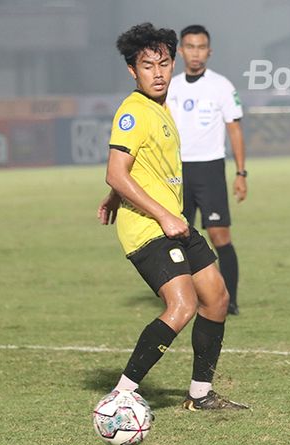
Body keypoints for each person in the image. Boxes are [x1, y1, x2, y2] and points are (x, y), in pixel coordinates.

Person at [96, 23, 246, 410]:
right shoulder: (133, 112)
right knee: (181, 307)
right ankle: (121, 394)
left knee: (216, 298)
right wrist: (162, 215)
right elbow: (116, 170)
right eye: (148, 66)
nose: (158, 73)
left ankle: (200, 395)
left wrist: (115, 196)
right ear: (133, 70)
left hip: (173, 222)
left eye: (164, 63)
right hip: (150, 229)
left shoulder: (160, 107)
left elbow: (136, 168)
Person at [166, 24, 246, 316]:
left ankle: (231, 300)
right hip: (176, 171)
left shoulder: (221, 86)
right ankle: (185, 298)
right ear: (181, 50)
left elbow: (235, 131)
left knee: (219, 235)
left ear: (209, 52)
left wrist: (241, 173)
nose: (195, 53)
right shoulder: (169, 86)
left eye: (201, 47)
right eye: (190, 46)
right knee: (177, 236)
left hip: (210, 169)